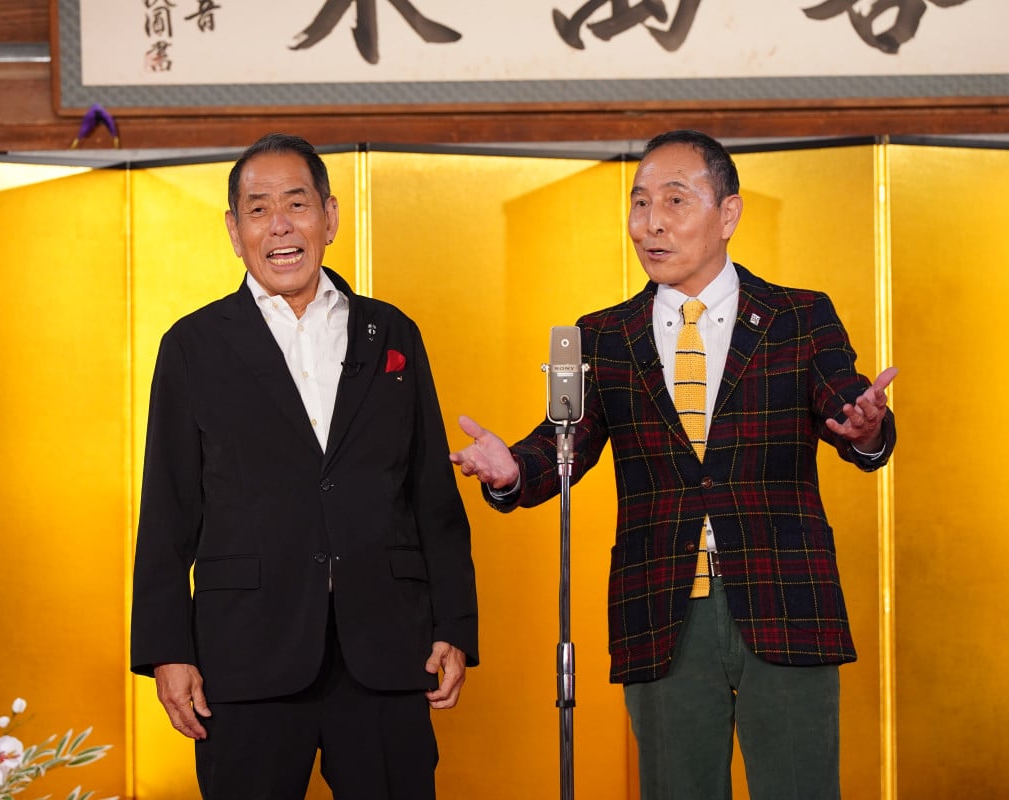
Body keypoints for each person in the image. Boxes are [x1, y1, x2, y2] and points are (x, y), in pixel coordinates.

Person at [450, 129, 896, 799]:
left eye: (675, 200)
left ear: (728, 214)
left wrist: (866, 427)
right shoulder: (604, 335)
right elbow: (566, 441)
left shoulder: (799, 316)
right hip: (661, 608)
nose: (650, 223)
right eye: (640, 203)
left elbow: (845, 401)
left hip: (786, 598)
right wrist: (512, 470)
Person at [130, 133, 478, 800]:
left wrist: (454, 625)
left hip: (384, 647)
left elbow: (430, 493)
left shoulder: (392, 333)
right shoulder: (193, 345)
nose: (280, 225)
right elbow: (167, 512)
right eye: (258, 209)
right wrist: (167, 650)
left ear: (330, 217)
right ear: (234, 231)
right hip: (245, 655)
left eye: (297, 204)